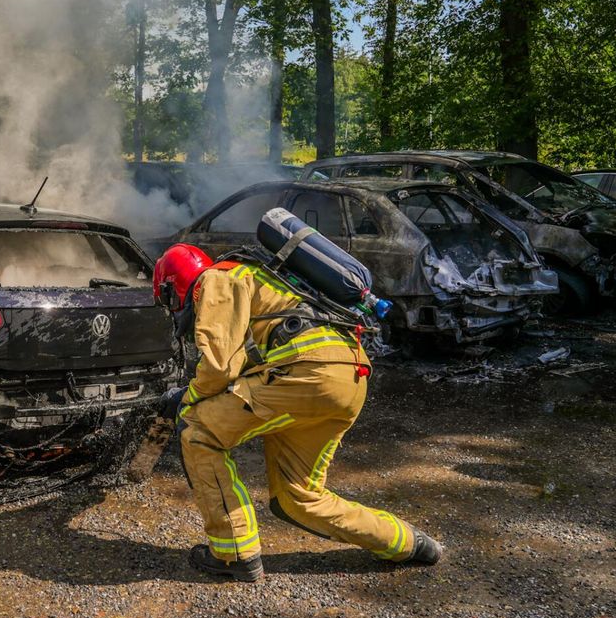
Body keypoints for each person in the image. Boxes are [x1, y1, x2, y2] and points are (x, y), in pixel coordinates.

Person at [153, 242, 442, 582]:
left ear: (176, 285)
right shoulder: (264, 278)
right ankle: (409, 543)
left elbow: (219, 365)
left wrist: (188, 398)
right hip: (348, 378)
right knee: (299, 497)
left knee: (198, 431)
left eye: (169, 300)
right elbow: (248, 359)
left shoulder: (217, 278)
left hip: (305, 377)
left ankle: (233, 555)